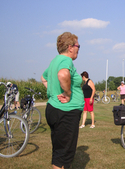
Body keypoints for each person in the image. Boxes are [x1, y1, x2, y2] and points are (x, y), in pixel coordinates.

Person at [41, 32, 84, 169]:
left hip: (54, 109)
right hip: (66, 112)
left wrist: (53, 92)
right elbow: (63, 74)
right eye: (78, 46)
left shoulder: (55, 60)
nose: (78, 49)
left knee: (59, 150)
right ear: (70, 47)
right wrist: (68, 93)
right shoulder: (66, 61)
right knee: (63, 154)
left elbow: (43, 78)